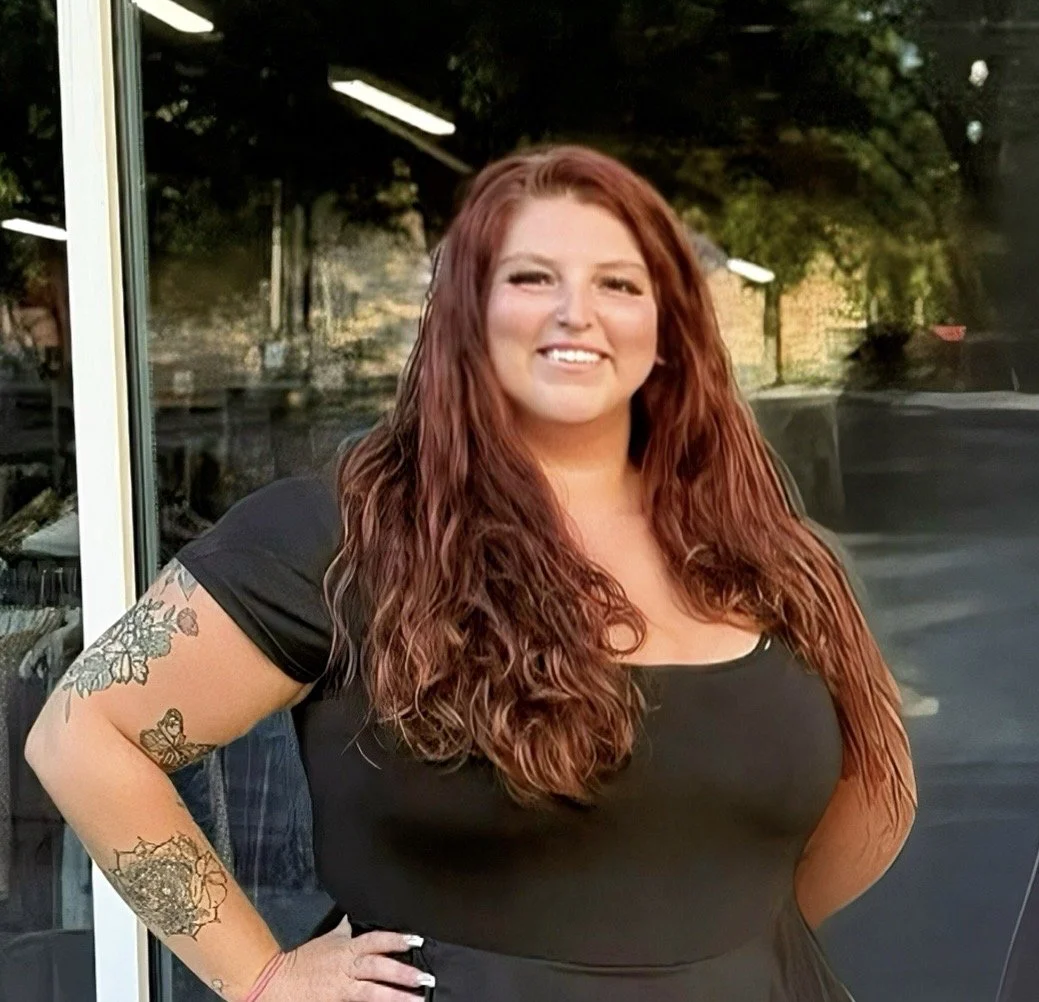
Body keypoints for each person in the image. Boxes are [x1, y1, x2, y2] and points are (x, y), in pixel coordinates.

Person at [25, 144, 916, 1001]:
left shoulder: (766, 549)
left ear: (668, 327)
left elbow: (874, 791)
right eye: (532, 278)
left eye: (619, 282)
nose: (578, 311)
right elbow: (84, 733)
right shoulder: (341, 534)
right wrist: (263, 978)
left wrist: (715, 950)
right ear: (465, 310)